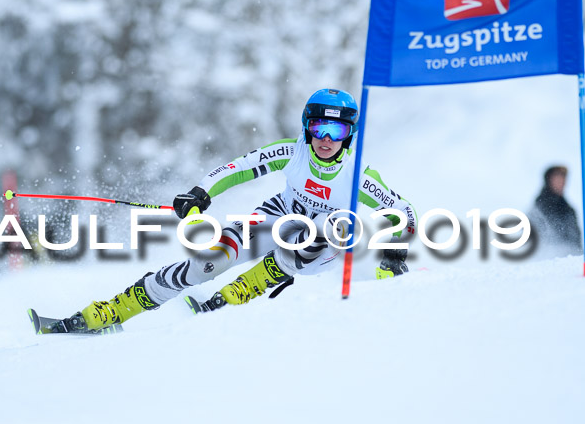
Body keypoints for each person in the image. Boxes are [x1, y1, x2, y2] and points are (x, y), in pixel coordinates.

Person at [50, 88, 417, 333]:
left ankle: (271, 273)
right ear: (307, 128)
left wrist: (394, 248)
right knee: (208, 262)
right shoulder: (294, 152)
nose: (326, 140)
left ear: (348, 136)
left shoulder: (357, 175)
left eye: (336, 132)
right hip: (279, 217)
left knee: (334, 223)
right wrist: (199, 193)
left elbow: (405, 213)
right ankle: (116, 309)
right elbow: (238, 168)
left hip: (322, 245)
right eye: (319, 128)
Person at [529, 165, 582, 256]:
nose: (562, 182)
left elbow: (575, 242)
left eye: (563, 178)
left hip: (570, 258)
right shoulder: (541, 206)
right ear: (548, 180)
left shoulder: (568, 209)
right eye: (557, 178)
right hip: (549, 260)